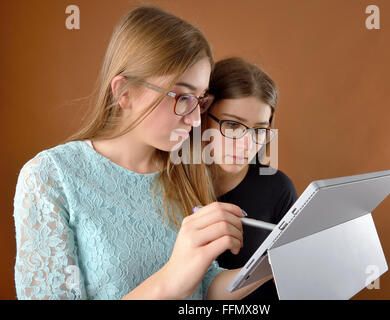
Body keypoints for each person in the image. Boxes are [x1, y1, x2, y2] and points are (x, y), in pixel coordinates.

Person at [12, 6, 272, 300]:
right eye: (182, 96)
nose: (196, 119)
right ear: (125, 92)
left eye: (200, 100)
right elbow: (179, 280)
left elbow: (204, 286)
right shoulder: (51, 177)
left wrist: (277, 256)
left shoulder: (183, 171)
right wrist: (172, 278)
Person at [203, 57, 298, 300]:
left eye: (259, 130)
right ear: (203, 116)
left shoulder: (279, 189)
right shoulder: (169, 186)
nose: (247, 144)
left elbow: (291, 284)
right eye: (233, 125)